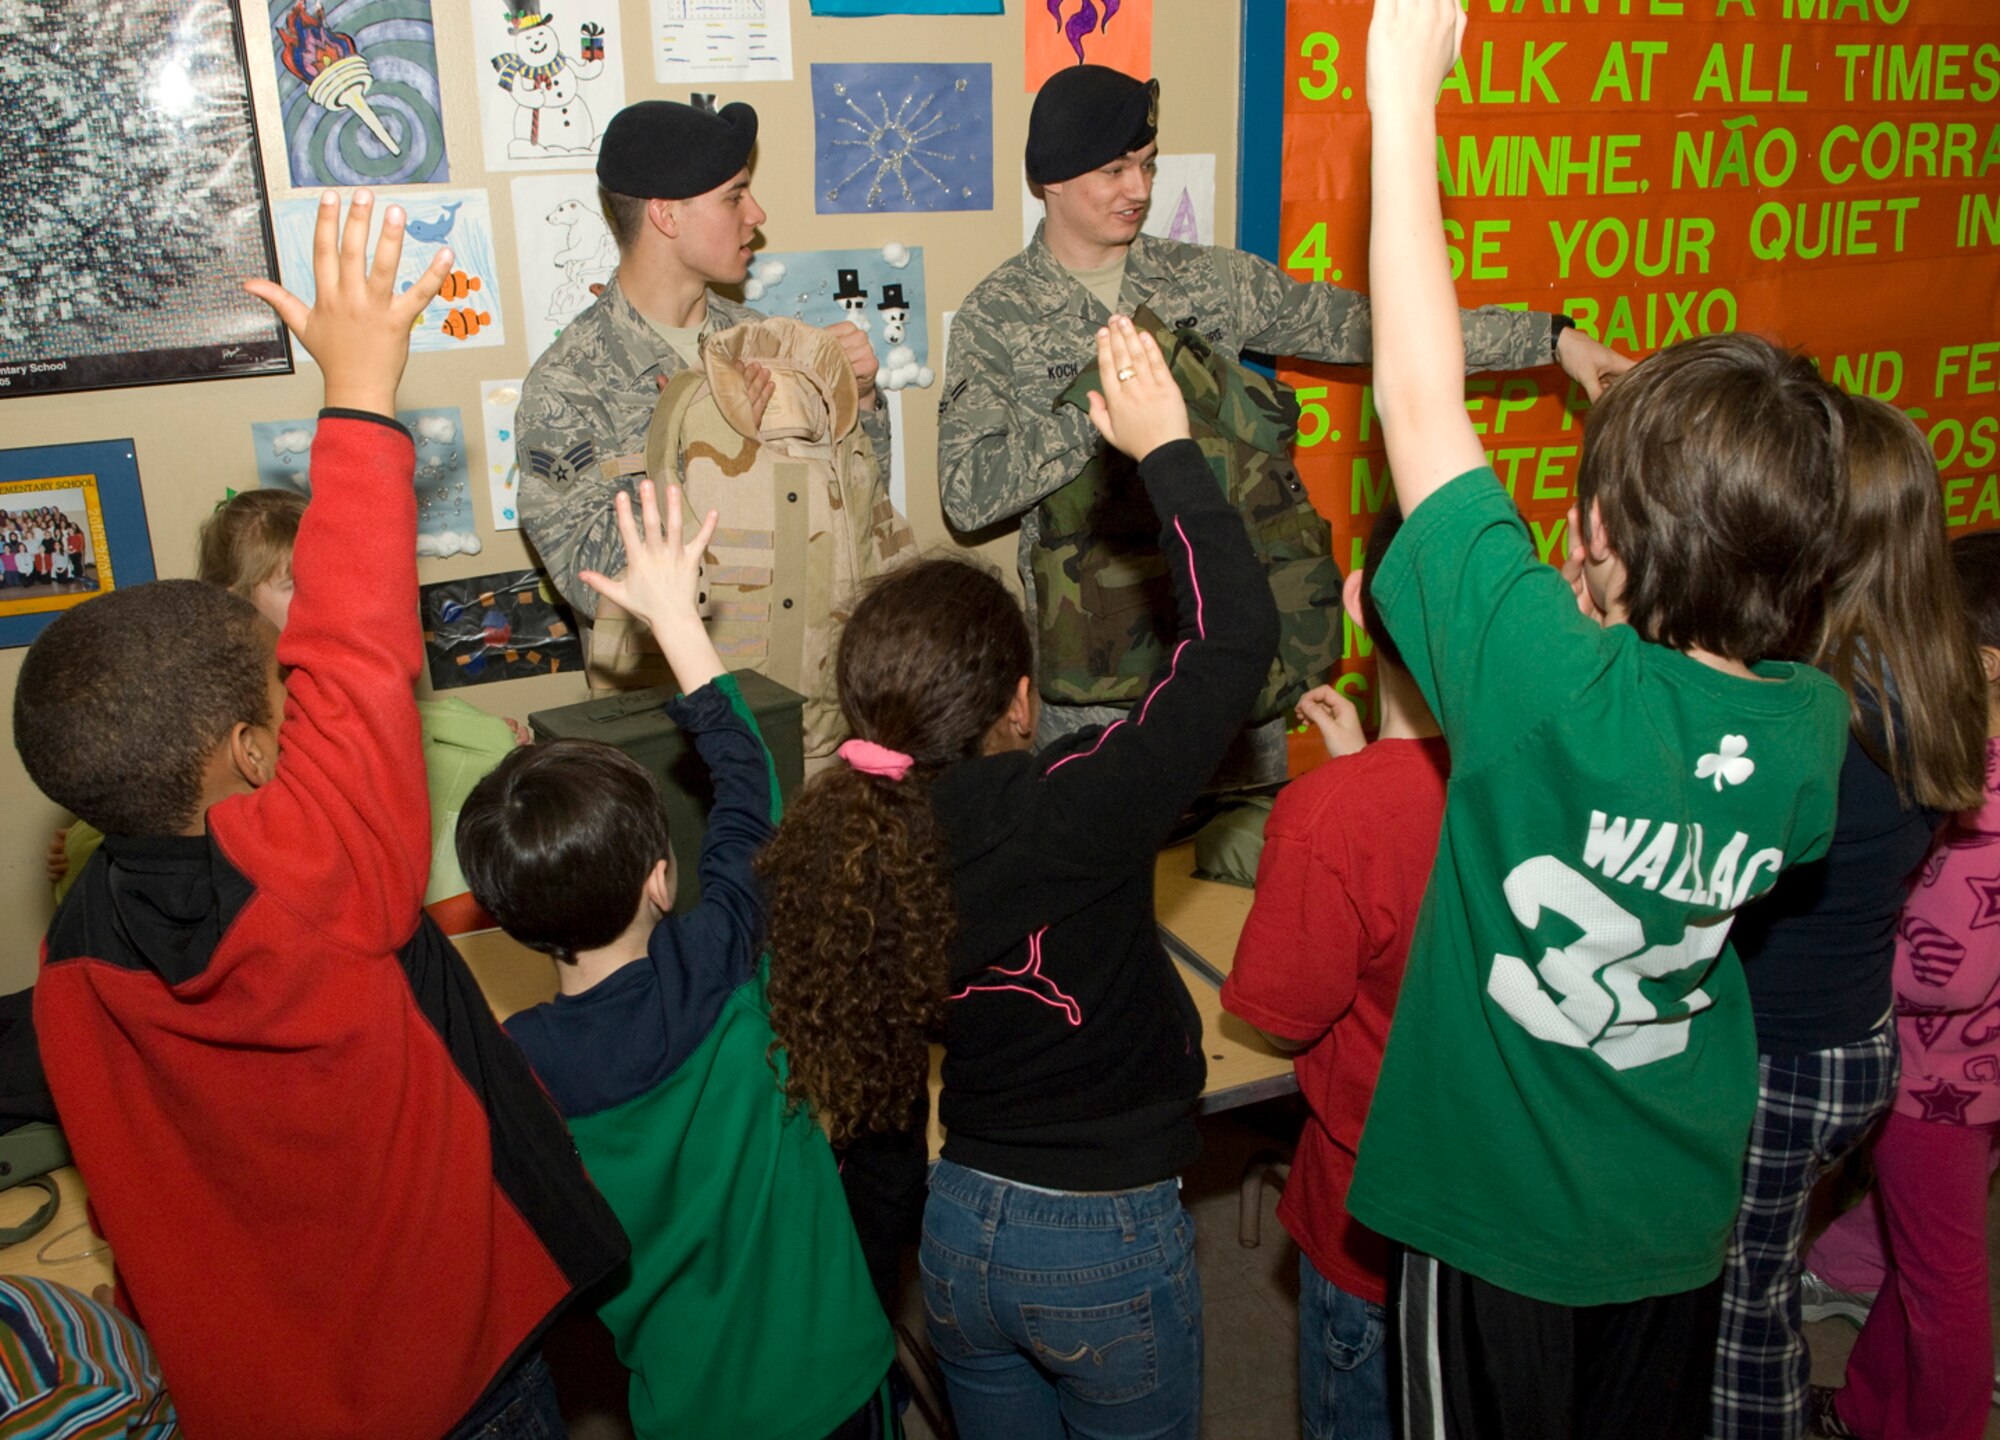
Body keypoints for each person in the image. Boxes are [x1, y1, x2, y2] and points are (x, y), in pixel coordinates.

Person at [13, 191, 627, 1440]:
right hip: (456, 1377)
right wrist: (358, 393)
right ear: (250, 752)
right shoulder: (319, 876)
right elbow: (355, 647)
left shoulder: (75, 953)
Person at [1342, 4, 1852, 1437]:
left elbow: (1417, 396)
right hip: (1673, 1215)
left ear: (1612, 542)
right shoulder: (1811, 730)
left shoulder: (1541, 679)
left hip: (1493, 1219)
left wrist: (1404, 99)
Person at [757, 315, 1278, 1439]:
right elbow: (1232, 644)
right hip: (1102, 1238)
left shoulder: (842, 840)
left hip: (956, 1231)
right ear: (1016, 706)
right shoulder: (1068, 809)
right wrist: (1166, 452)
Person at [939, 63, 1632, 770]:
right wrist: (1104, 410)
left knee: (1255, 870)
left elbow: (1379, 327)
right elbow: (968, 495)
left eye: (1148, 165)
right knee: (1091, 876)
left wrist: (1555, 341)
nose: (1140, 190)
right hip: (1096, 687)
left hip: (1232, 665)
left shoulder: (1209, 282)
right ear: (1052, 179)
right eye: (1115, 171)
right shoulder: (997, 317)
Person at [455, 477, 897, 1440]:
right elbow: (750, 780)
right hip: (837, 1379)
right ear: (663, 880)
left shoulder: (518, 1067)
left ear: (516, 922)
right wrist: (676, 623)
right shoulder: (725, 960)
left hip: (689, 1410)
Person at [1711, 396, 1987, 1440]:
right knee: (1763, 1270)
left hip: (1778, 1052)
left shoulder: (1823, 716)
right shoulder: (1927, 672)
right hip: (1849, 1040)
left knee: (1738, 1307)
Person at [515, 99, 914, 710]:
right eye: (733, 197)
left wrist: (859, 398)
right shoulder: (570, 384)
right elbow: (596, 584)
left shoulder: (769, 342)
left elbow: (859, 502)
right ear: (666, 216)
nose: (756, 215)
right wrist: (707, 441)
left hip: (807, 705)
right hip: (676, 728)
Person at [1219, 499, 1447, 1440]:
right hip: (1503, 1209)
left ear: (1357, 602)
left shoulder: (1330, 817)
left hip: (1374, 1220)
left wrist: (1341, 792)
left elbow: (1281, 1017)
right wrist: (1363, 768)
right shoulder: (1553, 771)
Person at [45, 487, 525, 921]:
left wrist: (497, 747)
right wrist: (92, 844)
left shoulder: (349, 672)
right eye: (295, 583)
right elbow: (159, 797)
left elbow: (402, 722)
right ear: (234, 607)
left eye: (330, 578)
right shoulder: (210, 711)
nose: (324, 597)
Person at [1810, 528, 2000, 1440]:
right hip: (1986, 1072)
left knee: (1944, 1286)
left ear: (1986, 662)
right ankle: (1867, 1409)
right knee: (1917, 1257)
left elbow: (1954, 968)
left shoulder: (1978, 783)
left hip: (1937, 1085)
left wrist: (1852, 949)